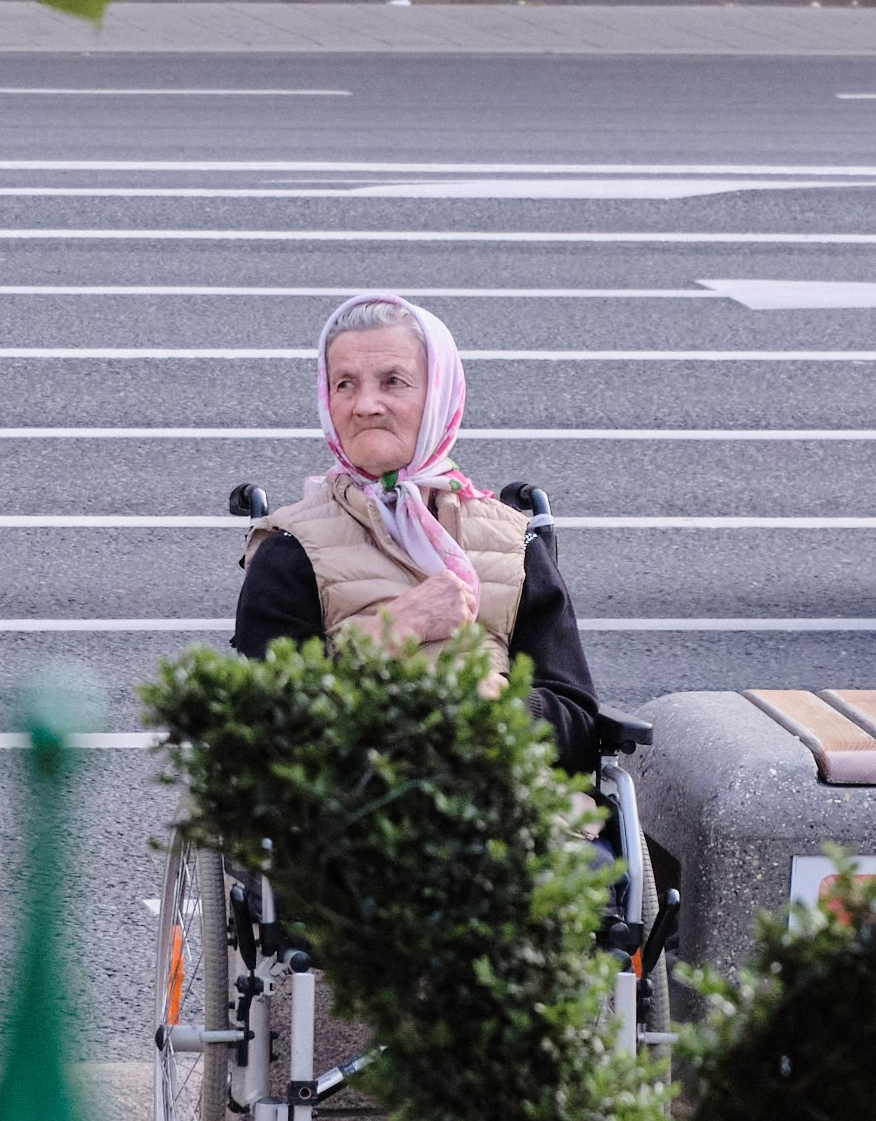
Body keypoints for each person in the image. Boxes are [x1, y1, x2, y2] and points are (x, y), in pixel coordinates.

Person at [232, 291, 600, 774]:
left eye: (393, 382)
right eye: (344, 384)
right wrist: (393, 631)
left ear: (440, 394)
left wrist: (502, 703)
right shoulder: (292, 548)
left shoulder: (513, 545)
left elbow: (580, 727)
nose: (365, 405)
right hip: (348, 817)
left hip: (506, 808)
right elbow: (264, 725)